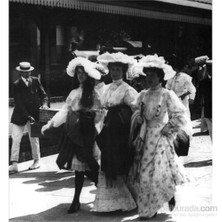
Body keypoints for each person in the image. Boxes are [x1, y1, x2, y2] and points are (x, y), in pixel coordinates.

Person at [128, 54, 189, 220]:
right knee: (144, 173)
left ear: (160, 77)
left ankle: (156, 204)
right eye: (147, 75)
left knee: (157, 172)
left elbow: (180, 115)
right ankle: (150, 205)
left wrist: (168, 129)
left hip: (161, 138)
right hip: (145, 137)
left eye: (153, 76)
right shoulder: (143, 95)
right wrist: (138, 118)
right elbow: (135, 112)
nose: (149, 79)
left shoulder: (167, 94)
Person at [41, 57, 102, 214]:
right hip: (74, 131)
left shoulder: (93, 93)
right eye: (78, 73)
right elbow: (64, 110)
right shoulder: (74, 92)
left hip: (87, 132)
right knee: (79, 168)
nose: (80, 76)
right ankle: (76, 200)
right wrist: (51, 124)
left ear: (88, 75)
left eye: (83, 73)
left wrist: (88, 117)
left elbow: (100, 113)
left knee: (88, 161)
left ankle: (101, 186)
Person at [92, 52, 138, 212]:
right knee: (107, 162)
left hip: (121, 131)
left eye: (118, 69)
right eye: (112, 69)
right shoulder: (106, 88)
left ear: (123, 71)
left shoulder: (128, 90)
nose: (114, 72)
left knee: (120, 163)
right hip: (108, 130)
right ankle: (109, 203)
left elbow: (135, 111)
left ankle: (125, 201)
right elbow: (102, 106)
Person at [9, 62, 49, 174]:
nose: (26, 74)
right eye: (24, 72)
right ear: (20, 72)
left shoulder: (36, 80)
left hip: (34, 114)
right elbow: (19, 103)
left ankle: (36, 161)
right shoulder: (16, 84)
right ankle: (14, 164)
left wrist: (44, 104)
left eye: (28, 72)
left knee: (34, 138)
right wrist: (27, 116)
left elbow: (44, 95)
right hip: (20, 115)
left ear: (30, 71)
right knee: (16, 138)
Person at [193, 60, 212, 140]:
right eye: (209, 69)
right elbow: (198, 96)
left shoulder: (203, 82)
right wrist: (195, 108)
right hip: (209, 111)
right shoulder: (203, 82)